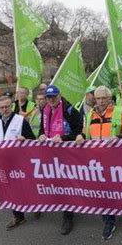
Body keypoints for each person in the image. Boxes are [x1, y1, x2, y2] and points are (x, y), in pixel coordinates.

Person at [75, 86, 122, 240]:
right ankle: (109, 222)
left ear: (110, 98)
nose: (101, 101)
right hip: (96, 163)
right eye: (98, 98)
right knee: (102, 193)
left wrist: (120, 137)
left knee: (119, 190)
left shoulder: (120, 112)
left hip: (116, 162)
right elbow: (85, 132)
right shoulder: (90, 115)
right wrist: (81, 136)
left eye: (104, 98)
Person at [0, 96, 36, 230]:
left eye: (7, 107)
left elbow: (32, 140)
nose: (4, 110)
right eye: (1, 107)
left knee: (26, 187)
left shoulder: (20, 121)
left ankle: (35, 204)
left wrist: (24, 139)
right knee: (11, 189)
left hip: (21, 162)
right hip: (4, 163)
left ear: (12, 106)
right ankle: (18, 216)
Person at [38, 85, 83, 235]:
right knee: (56, 182)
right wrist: (41, 136)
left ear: (59, 96)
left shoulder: (69, 110)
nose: (51, 100)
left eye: (54, 97)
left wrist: (63, 138)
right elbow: (42, 130)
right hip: (50, 153)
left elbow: (79, 132)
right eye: (48, 98)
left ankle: (68, 216)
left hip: (67, 153)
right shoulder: (45, 110)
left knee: (66, 183)